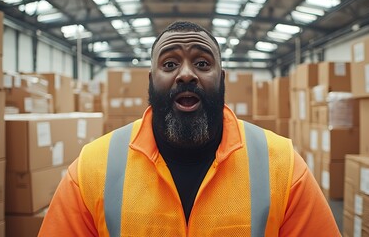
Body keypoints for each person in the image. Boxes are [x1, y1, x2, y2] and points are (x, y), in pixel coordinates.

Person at [38, 21, 340, 236]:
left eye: (202, 63)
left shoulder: (282, 167)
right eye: (169, 64)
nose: (186, 75)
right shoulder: (93, 169)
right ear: (151, 79)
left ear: (222, 78)